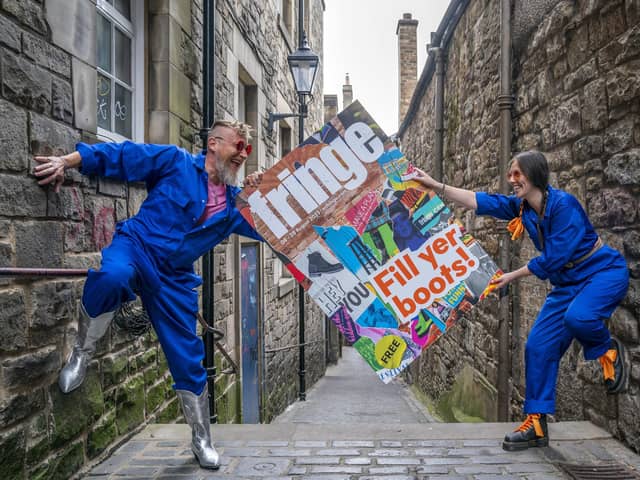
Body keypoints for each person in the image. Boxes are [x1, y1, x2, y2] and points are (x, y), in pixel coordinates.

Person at [33, 120, 263, 470]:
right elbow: (124, 156)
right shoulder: (175, 162)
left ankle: (202, 439)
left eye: (247, 150)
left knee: (187, 355)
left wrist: (260, 198)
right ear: (214, 143)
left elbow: (276, 230)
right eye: (238, 146)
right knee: (112, 275)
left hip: (173, 278)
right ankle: (82, 351)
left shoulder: (235, 206)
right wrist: (67, 161)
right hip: (138, 246)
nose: (242, 155)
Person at [413, 150, 629, 451]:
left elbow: (555, 259)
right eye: (510, 174)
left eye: (517, 174)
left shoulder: (563, 205)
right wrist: (437, 186)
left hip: (601, 272)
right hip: (567, 284)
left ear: (535, 175)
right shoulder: (523, 208)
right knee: (537, 345)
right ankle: (537, 424)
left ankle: (608, 352)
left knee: (578, 318)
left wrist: (509, 276)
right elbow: (481, 201)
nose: (511, 180)